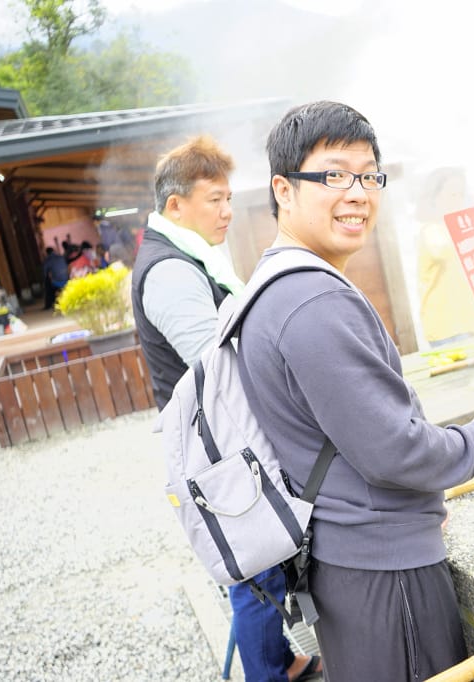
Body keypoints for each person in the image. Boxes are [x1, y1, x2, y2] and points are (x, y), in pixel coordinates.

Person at [240, 100, 474, 681]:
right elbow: (394, 450)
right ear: (283, 190)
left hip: (347, 558)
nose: (358, 193)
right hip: (383, 572)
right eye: (334, 175)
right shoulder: (314, 301)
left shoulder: (274, 285)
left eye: (369, 176)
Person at [130, 135, 320, 682]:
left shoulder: (187, 256)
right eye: (214, 199)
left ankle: (282, 661)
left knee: (262, 558)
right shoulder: (169, 271)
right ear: (176, 205)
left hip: (220, 435)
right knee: (255, 568)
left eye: (229, 198)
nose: (227, 211)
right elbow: (213, 365)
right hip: (214, 445)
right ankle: (267, 675)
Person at [415, 166, 474, 347]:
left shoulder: (457, 226)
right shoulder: (431, 229)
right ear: (434, 198)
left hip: (469, 321)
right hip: (446, 327)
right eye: (452, 194)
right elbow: (442, 250)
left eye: (460, 194)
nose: (458, 200)